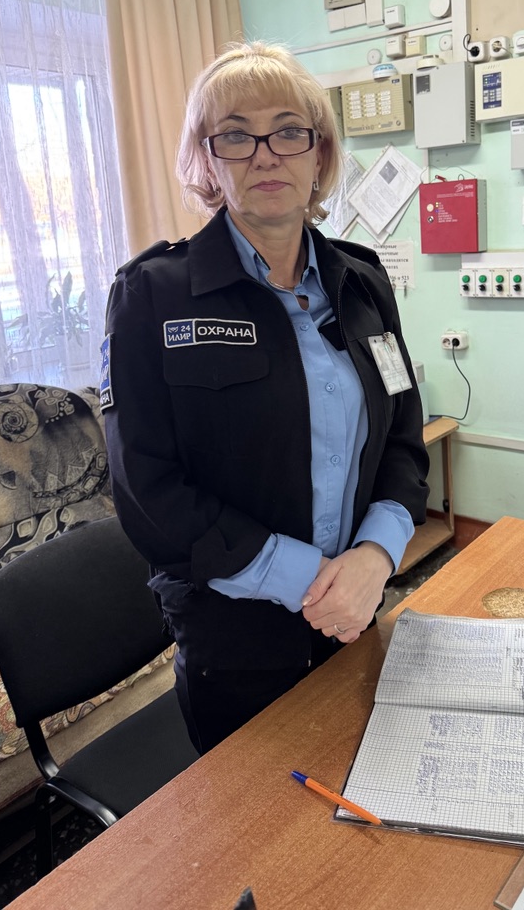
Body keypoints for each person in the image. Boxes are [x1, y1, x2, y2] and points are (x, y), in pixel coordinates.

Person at [101, 41, 430, 753]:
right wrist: (312, 580)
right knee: (258, 818)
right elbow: (146, 488)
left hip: (355, 610)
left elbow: (404, 438)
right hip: (235, 641)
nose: (264, 155)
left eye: (288, 131)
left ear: (320, 152)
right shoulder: (153, 295)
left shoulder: (364, 282)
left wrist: (376, 556)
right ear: (206, 160)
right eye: (235, 135)